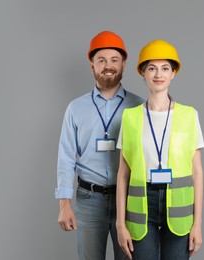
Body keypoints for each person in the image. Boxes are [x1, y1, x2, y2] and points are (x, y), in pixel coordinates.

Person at [55, 31, 144, 260]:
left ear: (124, 63)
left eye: (114, 60)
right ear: (91, 65)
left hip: (128, 200)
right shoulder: (75, 108)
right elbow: (66, 158)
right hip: (88, 198)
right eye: (101, 60)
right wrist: (64, 204)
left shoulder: (139, 107)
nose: (108, 66)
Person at [116, 39, 204, 259]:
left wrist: (198, 224)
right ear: (143, 73)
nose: (159, 74)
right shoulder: (130, 117)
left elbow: (197, 172)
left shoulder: (189, 115)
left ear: (173, 73)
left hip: (179, 207)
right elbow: (123, 174)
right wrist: (120, 225)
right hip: (141, 207)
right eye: (152, 68)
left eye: (165, 68)